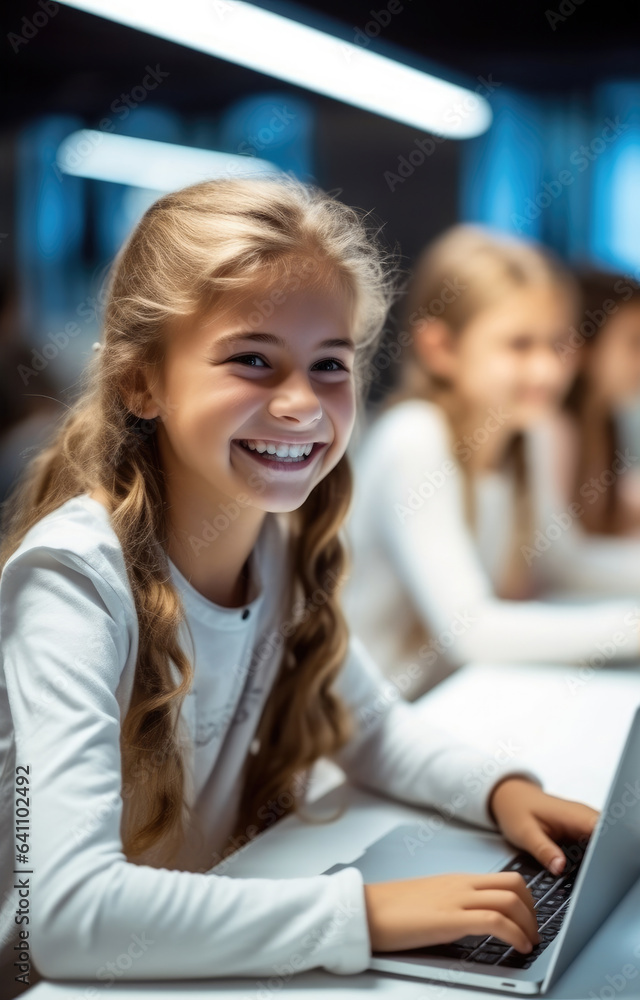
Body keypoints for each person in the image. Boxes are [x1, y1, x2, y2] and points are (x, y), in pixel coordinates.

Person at [0, 180, 598, 989]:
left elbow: (373, 728)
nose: (300, 404)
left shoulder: (274, 547)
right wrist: (368, 915)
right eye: (252, 359)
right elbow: (65, 918)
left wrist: (499, 792)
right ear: (142, 382)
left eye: (329, 365)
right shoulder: (74, 580)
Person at [342, 225, 640, 700]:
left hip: (445, 707)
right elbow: (470, 631)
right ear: (441, 348)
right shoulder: (415, 436)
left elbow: (566, 564)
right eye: (519, 345)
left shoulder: (525, 436)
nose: (546, 369)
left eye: (559, 345)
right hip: (371, 737)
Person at [559, 267, 640, 536]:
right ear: (583, 347)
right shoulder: (552, 431)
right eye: (634, 343)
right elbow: (562, 562)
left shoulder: (606, 424)